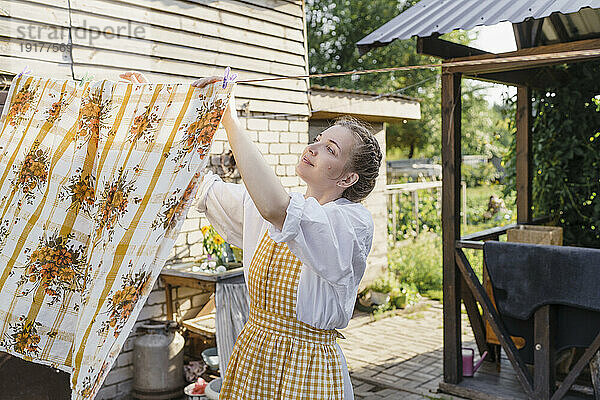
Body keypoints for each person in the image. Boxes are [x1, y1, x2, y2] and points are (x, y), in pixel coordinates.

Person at [119, 71, 382, 399]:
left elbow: (276, 208)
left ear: (347, 178)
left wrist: (228, 119)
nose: (313, 147)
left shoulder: (350, 225)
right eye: (317, 139)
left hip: (306, 370)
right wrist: (149, 115)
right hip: (253, 359)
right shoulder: (278, 210)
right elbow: (193, 181)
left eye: (330, 148)